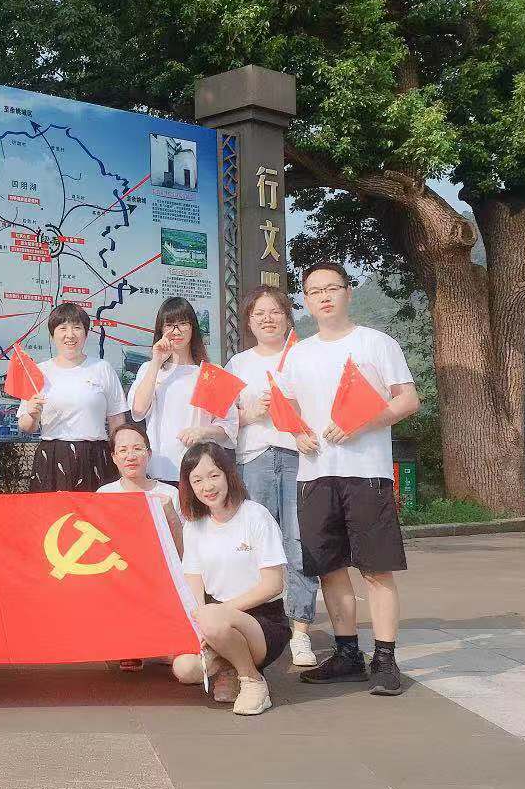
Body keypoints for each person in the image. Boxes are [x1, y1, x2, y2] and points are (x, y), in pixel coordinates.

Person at [279, 261, 420, 696]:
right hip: (315, 474)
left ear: (347, 292)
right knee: (330, 569)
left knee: (376, 569)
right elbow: (287, 409)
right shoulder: (298, 353)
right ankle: (347, 654)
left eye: (332, 288)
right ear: (305, 300)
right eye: (314, 291)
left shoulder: (375, 343)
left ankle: (385, 659)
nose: (324, 297)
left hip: (366, 474)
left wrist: (362, 423)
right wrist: (297, 433)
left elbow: (407, 400)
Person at [226, 284, 319, 667]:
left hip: (301, 458)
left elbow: (322, 405)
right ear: (249, 321)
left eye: (275, 312)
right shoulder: (237, 364)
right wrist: (253, 414)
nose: (268, 319)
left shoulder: (306, 356)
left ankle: (300, 632)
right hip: (254, 458)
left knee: (299, 542)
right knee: (255, 545)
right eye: (259, 313)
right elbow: (223, 419)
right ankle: (259, 625)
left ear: (287, 317)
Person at [169, 442, 289, 716]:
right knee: (184, 668)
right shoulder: (194, 526)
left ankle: (252, 680)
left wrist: (219, 613)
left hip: (262, 621)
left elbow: (273, 584)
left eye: (214, 475)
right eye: (197, 480)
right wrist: (199, 625)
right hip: (214, 619)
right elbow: (194, 582)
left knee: (213, 620)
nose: (207, 487)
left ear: (228, 474)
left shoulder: (255, 515)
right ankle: (228, 667)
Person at [97, 423, 185, 672]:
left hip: (161, 578)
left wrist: (171, 516)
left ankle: (158, 643)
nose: (130, 456)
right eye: (123, 450)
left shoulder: (169, 493)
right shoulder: (104, 495)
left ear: (149, 453)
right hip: (121, 579)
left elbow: (182, 553)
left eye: (137, 448)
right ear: (114, 457)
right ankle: (129, 642)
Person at [18, 302, 128, 491]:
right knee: (52, 510)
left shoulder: (102, 368)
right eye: (63, 328)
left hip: (96, 456)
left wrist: (121, 457)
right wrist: (32, 414)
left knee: (97, 510)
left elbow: (117, 421)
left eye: (77, 327)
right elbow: (26, 426)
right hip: (53, 456)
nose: (70, 335)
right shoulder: (38, 372)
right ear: (52, 335)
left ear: (86, 333)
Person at [129, 296, 237, 486]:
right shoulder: (149, 369)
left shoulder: (211, 372)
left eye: (183, 324)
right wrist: (156, 361)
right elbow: (138, 411)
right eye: (169, 325)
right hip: (158, 470)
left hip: (200, 472)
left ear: (193, 328)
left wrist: (203, 432)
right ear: (161, 330)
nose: (176, 331)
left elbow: (228, 427)